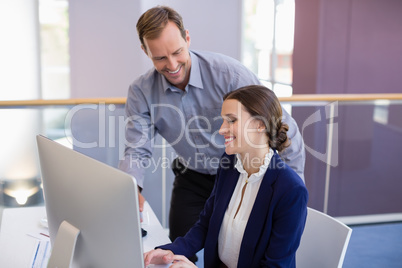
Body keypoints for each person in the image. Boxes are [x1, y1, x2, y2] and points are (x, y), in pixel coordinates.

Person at [118, 5, 306, 259]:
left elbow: (280, 125)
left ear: (187, 37)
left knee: (250, 252)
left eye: (177, 52)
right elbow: (137, 146)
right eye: (160, 58)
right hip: (192, 176)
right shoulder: (141, 91)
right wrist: (132, 188)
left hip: (241, 174)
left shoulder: (229, 75)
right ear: (145, 51)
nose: (172, 65)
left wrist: (289, 187)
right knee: (180, 248)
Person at [143, 85, 308, 268]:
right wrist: (172, 251)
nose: (222, 130)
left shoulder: (290, 190)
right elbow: (207, 222)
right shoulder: (229, 163)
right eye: (223, 121)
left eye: (231, 120)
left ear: (260, 124)